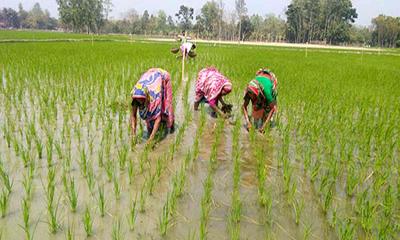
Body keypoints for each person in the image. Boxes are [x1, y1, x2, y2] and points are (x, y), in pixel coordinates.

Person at [130, 68, 175, 145]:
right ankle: (151, 130)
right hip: (150, 74)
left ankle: (171, 127)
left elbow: (157, 119)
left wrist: (151, 138)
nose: (139, 101)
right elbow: (133, 116)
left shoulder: (154, 96)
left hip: (163, 76)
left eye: (142, 99)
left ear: (146, 97)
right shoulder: (136, 98)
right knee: (150, 123)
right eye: (138, 100)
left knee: (166, 105)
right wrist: (133, 134)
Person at [242, 68, 278, 133]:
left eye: (254, 96)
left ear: (258, 93)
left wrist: (264, 126)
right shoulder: (249, 90)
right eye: (250, 96)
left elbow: (273, 108)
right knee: (256, 111)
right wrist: (248, 122)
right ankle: (260, 118)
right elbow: (244, 106)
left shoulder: (267, 91)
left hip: (270, 80)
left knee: (267, 110)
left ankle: (266, 121)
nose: (251, 97)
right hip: (259, 77)